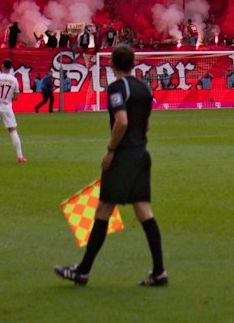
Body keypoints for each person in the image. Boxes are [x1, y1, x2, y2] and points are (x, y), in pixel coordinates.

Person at [54, 44, 166, 288]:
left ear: (112, 64)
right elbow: (145, 125)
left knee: (103, 209)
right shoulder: (144, 88)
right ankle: (159, 272)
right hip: (141, 154)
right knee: (143, 210)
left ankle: (82, 272)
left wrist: (111, 150)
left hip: (124, 156)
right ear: (133, 63)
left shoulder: (117, 88)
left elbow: (122, 121)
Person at [0, 61, 25, 164]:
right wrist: (8, 97)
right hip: (7, 107)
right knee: (13, 130)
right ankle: (20, 156)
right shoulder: (14, 80)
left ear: (2, 65)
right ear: (11, 67)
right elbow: (16, 97)